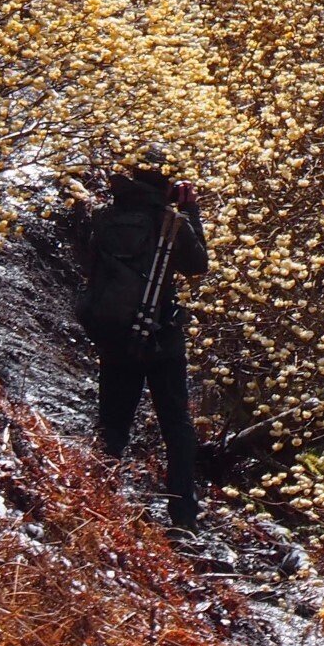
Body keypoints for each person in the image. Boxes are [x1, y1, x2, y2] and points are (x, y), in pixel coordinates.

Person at [74, 156, 209, 533]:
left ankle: (97, 503)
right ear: (167, 185)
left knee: (113, 422)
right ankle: (183, 517)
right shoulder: (171, 223)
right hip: (162, 337)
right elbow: (198, 265)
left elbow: (88, 265)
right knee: (176, 427)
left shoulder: (102, 217)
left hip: (115, 334)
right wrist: (191, 211)